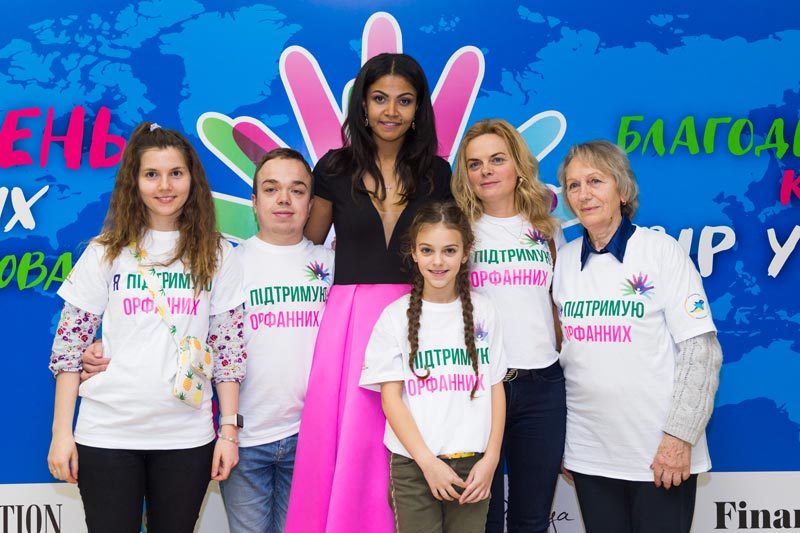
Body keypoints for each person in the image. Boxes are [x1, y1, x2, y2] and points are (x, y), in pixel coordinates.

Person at [47, 122, 245, 533]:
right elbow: (68, 350)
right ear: (133, 182)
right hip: (107, 434)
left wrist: (228, 431)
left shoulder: (217, 253)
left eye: (176, 173)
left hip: (186, 437)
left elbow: (228, 352)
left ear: (192, 179)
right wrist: (61, 434)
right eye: (152, 174)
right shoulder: (105, 252)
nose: (165, 186)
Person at [284, 53, 452, 533]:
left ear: (418, 109)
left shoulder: (439, 174)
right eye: (380, 98)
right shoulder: (333, 168)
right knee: (350, 440)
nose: (391, 111)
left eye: (404, 100)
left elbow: (452, 247)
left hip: (419, 320)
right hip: (350, 323)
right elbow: (308, 245)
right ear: (362, 105)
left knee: (409, 436)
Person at [553, 140, 723, 533]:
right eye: (574, 185)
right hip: (590, 454)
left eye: (596, 181)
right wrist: (564, 443)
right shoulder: (564, 262)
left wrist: (679, 437)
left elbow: (700, 351)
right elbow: (563, 359)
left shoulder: (660, 251)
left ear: (623, 190)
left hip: (660, 454)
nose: (584, 194)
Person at [359, 201, 506, 533]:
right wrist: (428, 464)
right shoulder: (394, 317)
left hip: (474, 467)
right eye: (427, 250)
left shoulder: (485, 311)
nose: (438, 261)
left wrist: (491, 459)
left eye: (449, 250)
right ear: (414, 252)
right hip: (414, 466)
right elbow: (391, 400)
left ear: (465, 253)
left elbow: (495, 386)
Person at [451, 118, 566, 533]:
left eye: (497, 159)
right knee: (480, 520)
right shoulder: (458, 230)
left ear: (518, 164)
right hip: (477, 388)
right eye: (475, 163)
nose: (486, 171)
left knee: (531, 520)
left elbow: (559, 309)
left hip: (542, 387)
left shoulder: (546, 230)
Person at [220, 148, 334, 533]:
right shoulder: (229, 265)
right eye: (271, 189)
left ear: (311, 204)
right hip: (245, 438)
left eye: (296, 190)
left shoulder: (332, 265)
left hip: (311, 438)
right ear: (255, 202)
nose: (284, 199)